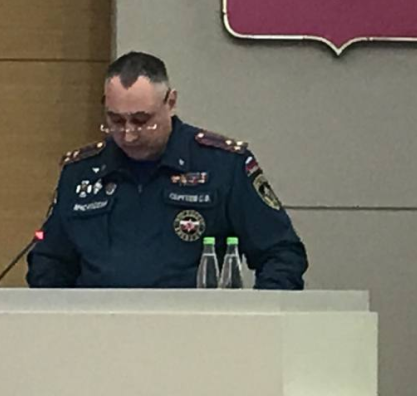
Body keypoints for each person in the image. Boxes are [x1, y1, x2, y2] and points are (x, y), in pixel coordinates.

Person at [27, 51, 308, 289]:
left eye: (141, 121)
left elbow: (281, 255)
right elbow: (49, 261)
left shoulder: (223, 165)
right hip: (98, 328)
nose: (128, 135)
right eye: (116, 121)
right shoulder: (81, 172)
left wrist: (253, 321)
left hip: (195, 328)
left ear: (171, 103)